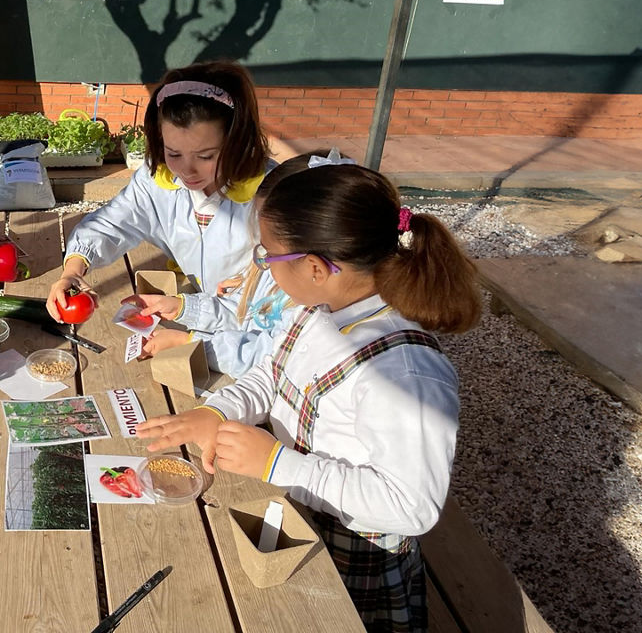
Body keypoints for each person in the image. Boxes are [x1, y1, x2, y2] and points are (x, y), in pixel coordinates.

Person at [136, 161, 481, 632]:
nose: (261, 268)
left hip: (356, 553)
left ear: (316, 268)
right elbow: (269, 375)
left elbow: (411, 507)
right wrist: (216, 411)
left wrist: (277, 464)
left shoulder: (404, 372)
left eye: (267, 257)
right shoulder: (317, 312)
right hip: (299, 508)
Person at [48, 60, 272, 321]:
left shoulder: (271, 193)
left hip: (248, 317)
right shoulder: (156, 178)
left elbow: (280, 292)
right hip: (196, 307)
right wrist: (73, 271)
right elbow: (112, 223)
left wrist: (243, 290)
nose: (187, 170)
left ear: (237, 141)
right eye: (173, 153)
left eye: (206, 156)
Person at [122, 154, 326, 376]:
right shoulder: (280, 273)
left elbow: (265, 357)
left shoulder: (314, 314)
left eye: (269, 249)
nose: (261, 258)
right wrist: (182, 307)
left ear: (312, 263)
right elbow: (240, 311)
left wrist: (191, 343)